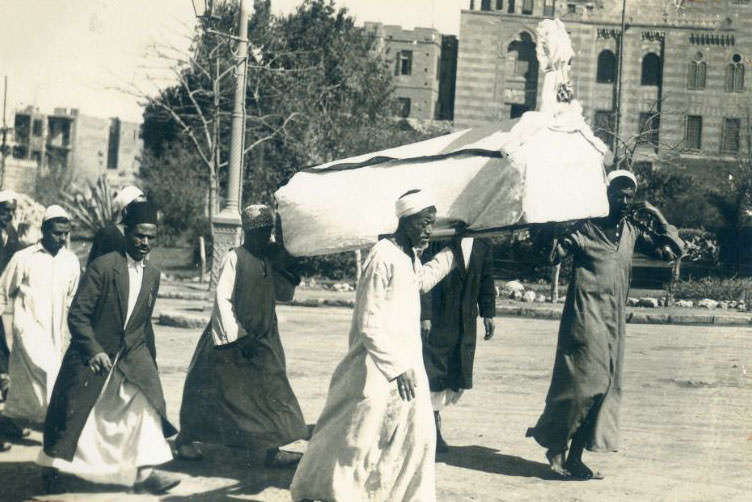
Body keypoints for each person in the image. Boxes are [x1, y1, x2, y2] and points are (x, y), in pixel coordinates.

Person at [290, 189, 456, 502]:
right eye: (423, 222)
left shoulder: (408, 255)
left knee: (417, 435)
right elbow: (368, 323)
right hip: (376, 366)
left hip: (407, 363)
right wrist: (395, 368)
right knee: (356, 436)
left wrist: (454, 253)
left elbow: (419, 281)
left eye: (431, 223)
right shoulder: (382, 255)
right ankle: (325, 492)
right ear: (405, 220)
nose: (428, 229)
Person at [526, 170, 684, 480]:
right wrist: (548, 221)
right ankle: (556, 447)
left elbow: (671, 251)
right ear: (605, 196)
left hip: (614, 323)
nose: (624, 201)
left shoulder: (632, 232)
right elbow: (551, 255)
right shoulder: (585, 229)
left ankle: (574, 457)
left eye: (629, 196)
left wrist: (656, 214)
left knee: (605, 390)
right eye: (617, 195)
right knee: (583, 387)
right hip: (584, 318)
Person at [38, 201, 180, 494]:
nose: (145, 243)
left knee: (144, 407)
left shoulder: (153, 274)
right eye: (140, 235)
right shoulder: (104, 267)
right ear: (127, 233)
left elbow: (142, 322)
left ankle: (145, 473)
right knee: (78, 414)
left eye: (151, 237)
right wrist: (94, 350)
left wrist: (149, 361)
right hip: (94, 357)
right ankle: (52, 466)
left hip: (132, 356)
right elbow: (78, 314)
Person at [174, 204, 309, 467]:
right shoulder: (235, 257)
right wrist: (237, 338)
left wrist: (288, 267)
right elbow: (222, 300)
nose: (264, 237)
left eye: (267, 231)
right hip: (232, 339)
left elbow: (284, 294)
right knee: (209, 391)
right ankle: (186, 440)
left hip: (265, 338)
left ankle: (273, 449)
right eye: (259, 232)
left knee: (272, 391)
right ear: (247, 232)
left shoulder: (268, 260)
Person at [0, 206, 80, 441]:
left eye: (65, 233)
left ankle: (12, 419)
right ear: (44, 231)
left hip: (57, 331)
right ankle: (51, 424)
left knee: (38, 382)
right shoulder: (24, 258)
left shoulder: (71, 261)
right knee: (44, 372)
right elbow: (4, 290)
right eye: (57, 233)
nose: (62, 238)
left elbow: (72, 298)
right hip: (28, 328)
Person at [420, 236, 496, 454]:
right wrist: (425, 315)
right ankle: (432, 430)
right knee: (434, 371)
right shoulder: (439, 239)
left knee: (455, 372)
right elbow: (423, 277)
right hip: (438, 318)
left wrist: (488, 313)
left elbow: (486, 279)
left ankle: (432, 424)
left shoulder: (483, 242)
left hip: (465, 321)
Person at [0, 191, 22, 451]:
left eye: (11, 210)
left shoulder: (11, 234)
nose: (9, 214)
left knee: (5, 361)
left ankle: (8, 420)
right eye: (5, 209)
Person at [86, 185, 146, 265]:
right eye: (138, 207)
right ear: (125, 210)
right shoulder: (108, 234)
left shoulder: (142, 235)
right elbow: (95, 266)